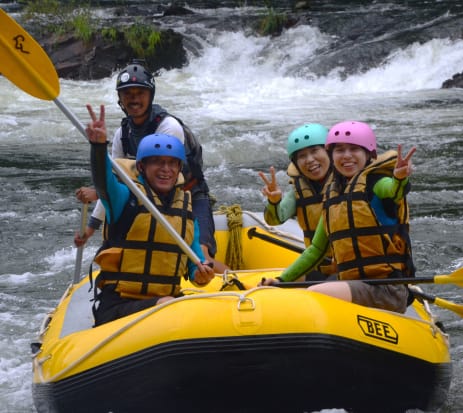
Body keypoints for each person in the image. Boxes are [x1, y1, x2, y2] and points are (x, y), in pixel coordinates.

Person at [75, 60, 228, 273]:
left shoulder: (168, 127)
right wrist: (92, 227)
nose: (134, 99)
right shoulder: (123, 134)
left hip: (188, 198)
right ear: (120, 99)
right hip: (148, 203)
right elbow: (115, 178)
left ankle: (238, 284)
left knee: (202, 255)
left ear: (150, 96)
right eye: (128, 94)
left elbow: (151, 177)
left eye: (140, 93)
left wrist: (97, 192)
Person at [261, 121, 416, 314]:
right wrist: (282, 281)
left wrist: (400, 178)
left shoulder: (376, 183)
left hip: (385, 288)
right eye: (339, 150)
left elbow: (393, 191)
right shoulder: (333, 198)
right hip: (351, 282)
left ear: (368, 154)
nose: (347, 156)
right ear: (332, 155)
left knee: (315, 294)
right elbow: (316, 250)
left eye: (354, 149)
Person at [85, 104, 215, 326]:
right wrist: (98, 147)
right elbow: (103, 181)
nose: (166, 169)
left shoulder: (185, 209)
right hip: (119, 305)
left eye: (172, 163)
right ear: (143, 167)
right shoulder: (126, 197)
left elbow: (195, 263)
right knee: (167, 304)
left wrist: (200, 274)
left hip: (166, 302)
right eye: (157, 162)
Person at [258, 123, 335, 279]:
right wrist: (274, 202)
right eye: (302, 156)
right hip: (316, 263)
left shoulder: (347, 185)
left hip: (348, 265)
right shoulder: (298, 192)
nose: (309, 160)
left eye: (314, 151)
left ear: (329, 153)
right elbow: (274, 220)